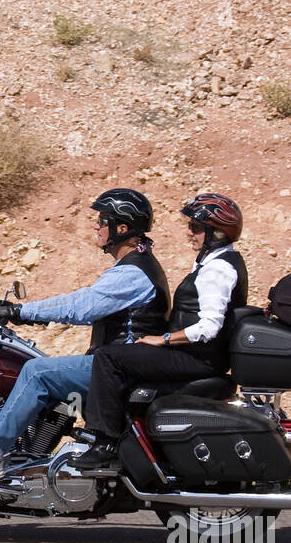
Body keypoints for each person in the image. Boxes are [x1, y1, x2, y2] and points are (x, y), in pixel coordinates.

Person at [0, 189, 170, 481]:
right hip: (120, 364)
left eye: (102, 220)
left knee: (37, 372)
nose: (96, 226)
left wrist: (18, 312)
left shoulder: (133, 274)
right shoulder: (135, 265)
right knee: (42, 366)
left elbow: (81, 307)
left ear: (122, 228)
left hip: (120, 368)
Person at [70, 192, 248, 470]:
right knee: (124, 355)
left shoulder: (218, 270)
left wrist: (163, 339)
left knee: (109, 357)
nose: (189, 232)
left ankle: (104, 442)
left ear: (219, 233)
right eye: (190, 226)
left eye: (197, 228)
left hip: (197, 358)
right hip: (196, 354)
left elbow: (209, 328)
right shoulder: (215, 260)